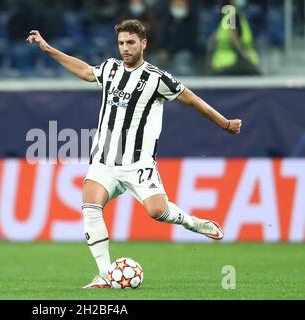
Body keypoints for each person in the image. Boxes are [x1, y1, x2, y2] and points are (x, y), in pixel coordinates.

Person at [27, 19, 242, 289]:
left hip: (138, 163)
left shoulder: (157, 78)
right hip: (103, 162)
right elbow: (83, 71)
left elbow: (192, 99)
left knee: (156, 211)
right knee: (90, 208)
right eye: (121, 43)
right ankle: (105, 274)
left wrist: (224, 123)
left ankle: (192, 222)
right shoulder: (110, 68)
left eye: (130, 43)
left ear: (143, 43)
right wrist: (48, 49)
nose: (125, 48)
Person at [208, 0, 260, 75]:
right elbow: (234, 38)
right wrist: (245, 55)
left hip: (220, 62)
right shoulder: (232, 14)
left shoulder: (226, 14)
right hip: (231, 63)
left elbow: (212, 40)